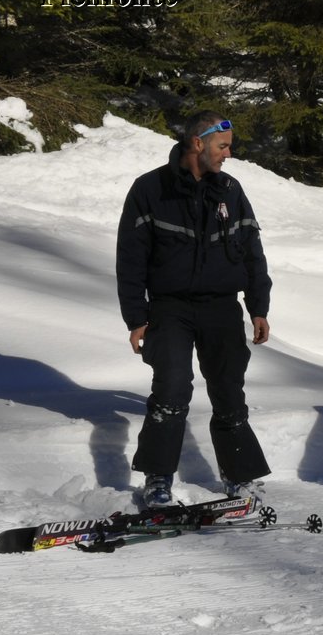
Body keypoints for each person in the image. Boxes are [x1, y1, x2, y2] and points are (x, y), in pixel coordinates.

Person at [116, 111, 272, 508]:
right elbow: (131, 258)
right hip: (169, 308)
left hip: (221, 307)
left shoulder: (231, 191)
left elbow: (253, 252)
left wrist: (258, 307)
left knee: (228, 391)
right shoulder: (150, 189)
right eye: (223, 146)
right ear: (198, 144)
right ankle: (157, 479)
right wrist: (137, 317)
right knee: (170, 388)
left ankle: (240, 477)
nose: (229, 154)